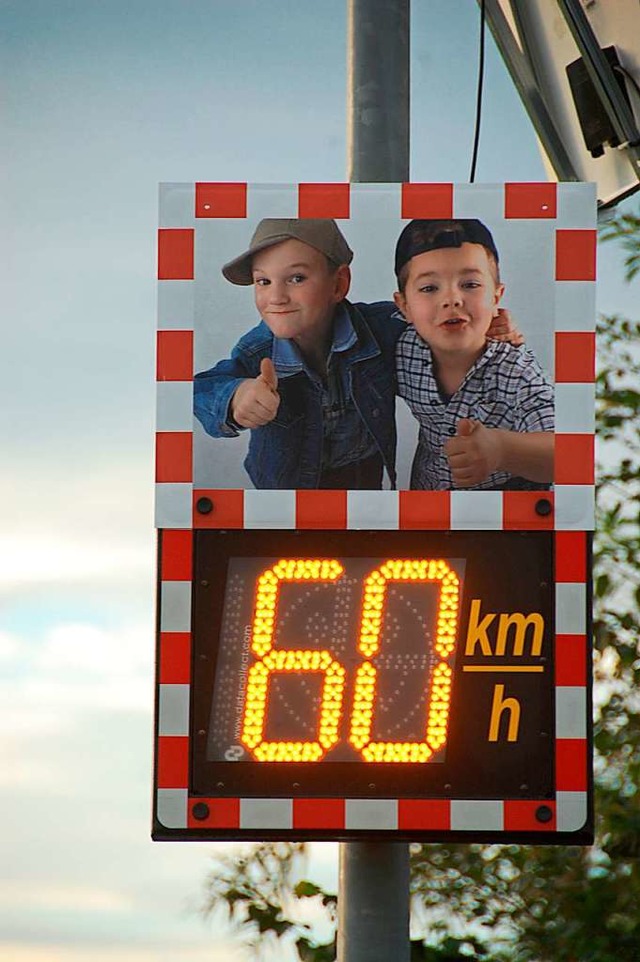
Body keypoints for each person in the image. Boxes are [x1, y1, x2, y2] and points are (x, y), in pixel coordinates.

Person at [194, 217, 522, 490]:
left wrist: (488, 326)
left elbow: (432, 320)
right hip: (286, 494)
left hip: (362, 481)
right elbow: (201, 388)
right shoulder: (257, 351)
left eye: (296, 278)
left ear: (339, 284)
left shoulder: (382, 329)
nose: (276, 297)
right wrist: (235, 397)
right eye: (263, 282)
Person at [393, 218, 554, 490]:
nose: (452, 299)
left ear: (496, 298)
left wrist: (502, 450)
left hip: (504, 512)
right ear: (404, 306)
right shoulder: (397, 345)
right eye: (429, 288)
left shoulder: (516, 370)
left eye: (470, 284)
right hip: (426, 502)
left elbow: (572, 450)